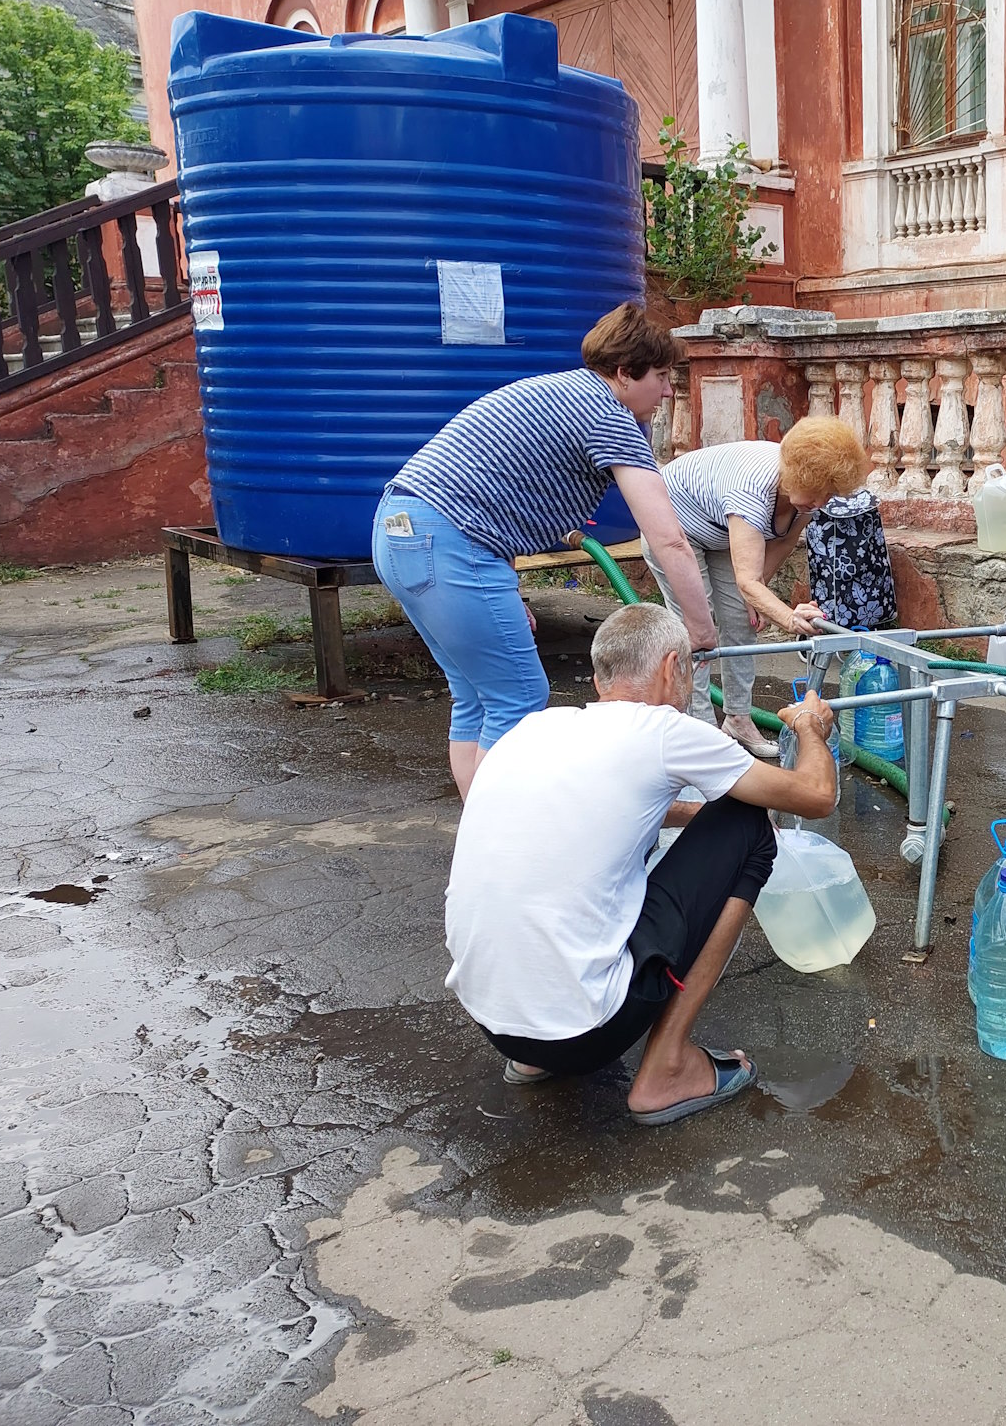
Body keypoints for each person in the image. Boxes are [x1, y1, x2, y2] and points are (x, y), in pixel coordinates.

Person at [443, 602, 839, 1124]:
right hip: (585, 1035)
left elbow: (612, 806)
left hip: (493, 1022)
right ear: (673, 667)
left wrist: (695, 817)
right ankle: (667, 1069)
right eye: (691, 670)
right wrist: (811, 728)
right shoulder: (663, 731)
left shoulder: (532, 729)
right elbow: (815, 795)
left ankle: (533, 1059)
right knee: (747, 825)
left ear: (598, 677)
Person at [372, 303, 718, 800]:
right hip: (450, 544)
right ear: (624, 373)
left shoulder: (559, 392)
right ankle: (503, 840)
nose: (667, 391)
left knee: (475, 697)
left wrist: (505, 586)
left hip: (401, 531)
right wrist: (700, 628)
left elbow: (494, 486)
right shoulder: (610, 413)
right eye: (661, 376)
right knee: (519, 699)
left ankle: (481, 834)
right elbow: (669, 539)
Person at [654, 416, 871, 756]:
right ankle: (700, 732)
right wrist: (787, 617)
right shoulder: (753, 490)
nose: (822, 503)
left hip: (717, 533)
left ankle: (738, 718)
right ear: (796, 476)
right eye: (818, 492)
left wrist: (758, 599)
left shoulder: (807, 496)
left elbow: (781, 545)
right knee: (698, 631)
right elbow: (746, 580)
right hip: (672, 528)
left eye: (828, 494)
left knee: (741, 622)